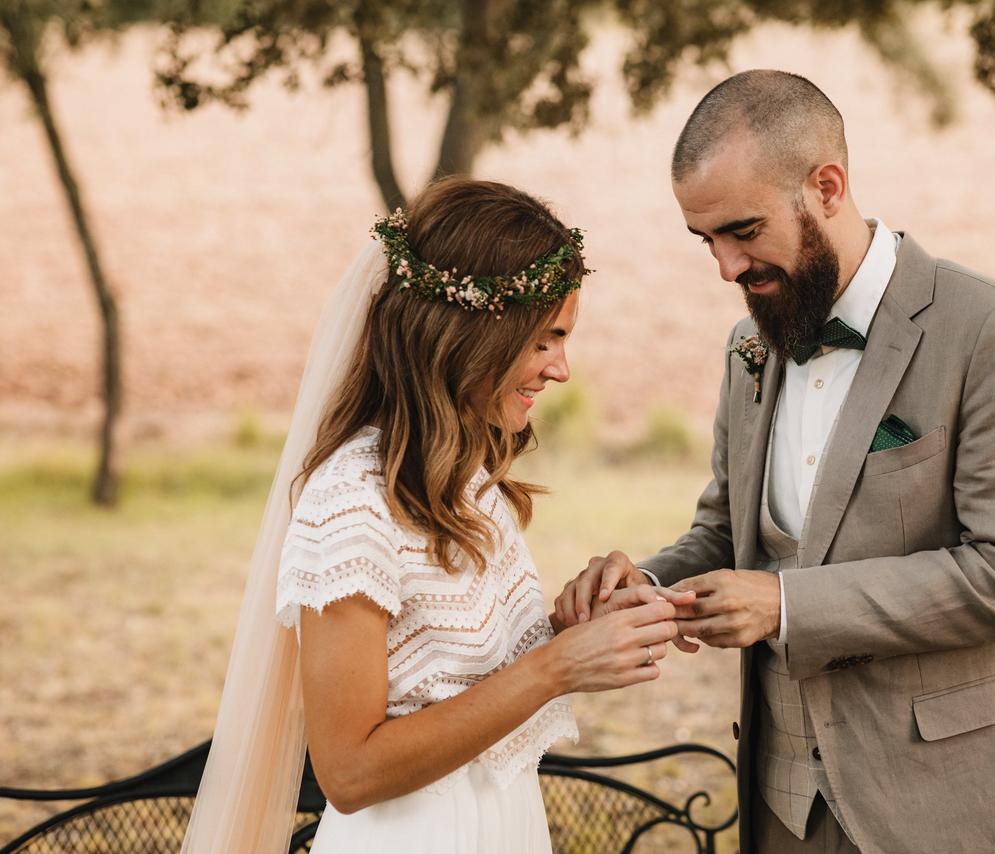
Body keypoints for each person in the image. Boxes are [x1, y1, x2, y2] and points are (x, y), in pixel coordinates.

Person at [556, 70, 995, 853]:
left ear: (828, 187)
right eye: (706, 241)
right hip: (785, 810)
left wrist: (787, 606)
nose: (726, 268)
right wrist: (648, 585)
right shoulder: (748, 346)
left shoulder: (990, 330)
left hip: (959, 808)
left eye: (743, 230)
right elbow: (728, 532)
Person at [182, 178, 687, 853]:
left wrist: (571, 626)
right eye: (545, 340)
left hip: (505, 826)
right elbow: (349, 770)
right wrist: (556, 667)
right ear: (471, 336)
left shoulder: (466, 480)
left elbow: (463, 683)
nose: (562, 368)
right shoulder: (352, 501)